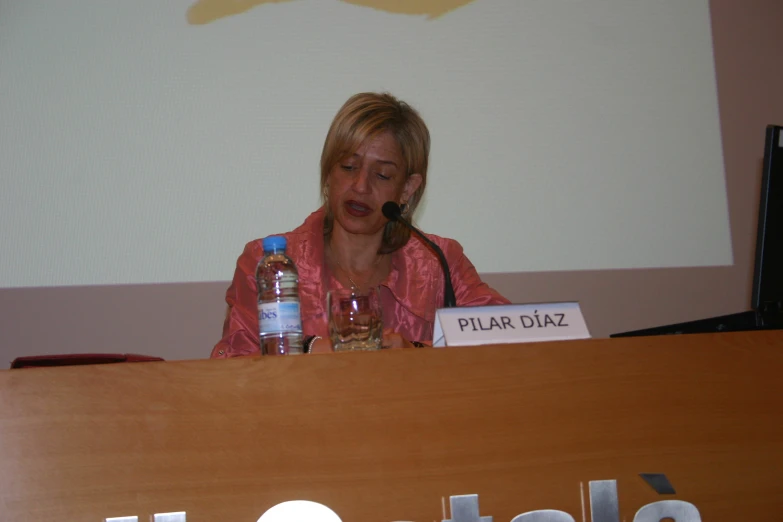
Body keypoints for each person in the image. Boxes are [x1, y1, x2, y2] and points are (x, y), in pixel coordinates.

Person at [212, 92, 508, 357]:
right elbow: (235, 371)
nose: (360, 186)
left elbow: (509, 339)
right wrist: (310, 350)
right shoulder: (270, 264)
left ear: (407, 188)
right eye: (349, 167)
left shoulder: (439, 262)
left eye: (382, 175)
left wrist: (418, 352)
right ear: (329, 171)